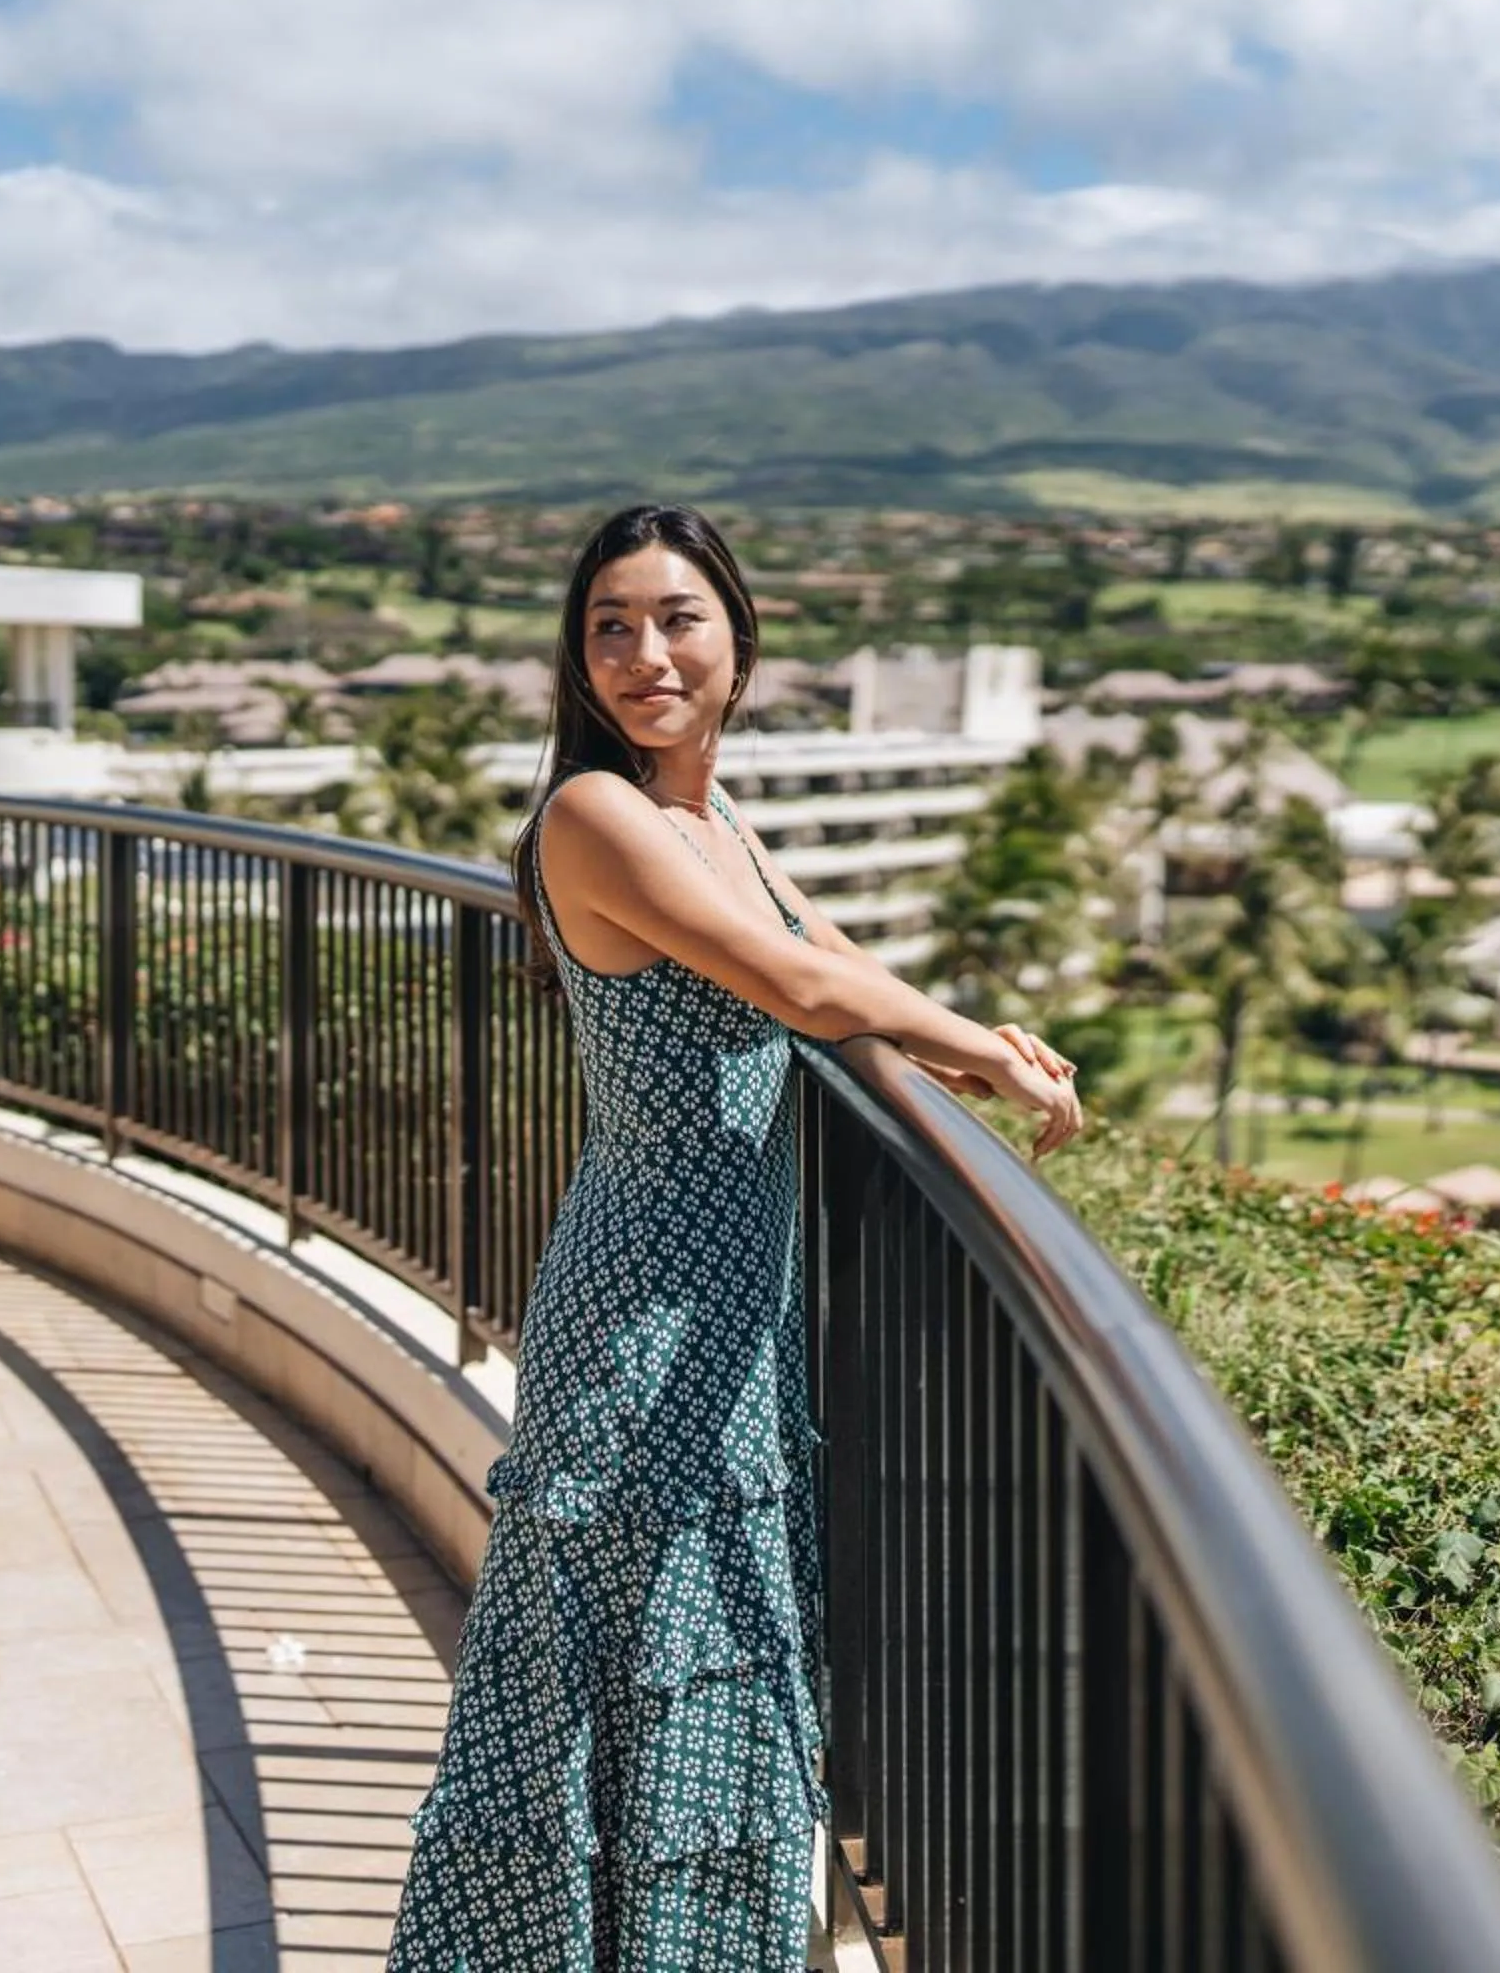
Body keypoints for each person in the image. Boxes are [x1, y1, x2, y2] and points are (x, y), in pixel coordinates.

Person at [385, 504, 1082, 1972]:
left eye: (676, 618)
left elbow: (830, 962)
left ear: (738, 644)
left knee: (698, 1671)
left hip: (725, 1320)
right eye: (610, 626)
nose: (645, 653)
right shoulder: (595, 817)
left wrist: (950, 1044)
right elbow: (797, 991)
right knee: (621, 1688)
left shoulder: (712, 825)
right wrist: (993, 1055)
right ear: (578, 661)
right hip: (641, 1316)